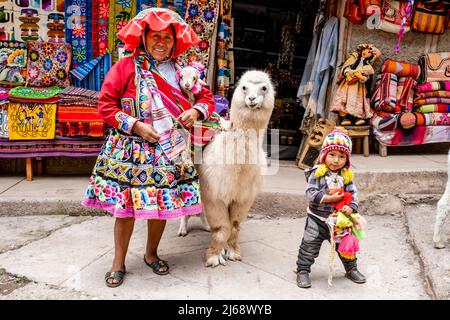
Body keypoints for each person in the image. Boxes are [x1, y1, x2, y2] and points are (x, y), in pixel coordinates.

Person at [81, 8, 215, 288]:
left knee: (161, 205)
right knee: (126, 208)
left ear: (174, 42)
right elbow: (106, 105)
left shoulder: (184, 70)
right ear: (144, 37)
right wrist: (135, 125)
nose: (161, 42)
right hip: (132, 149)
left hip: (169, 150)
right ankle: (118, 261)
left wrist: (196, 112)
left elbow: (206, 98)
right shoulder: (125, 67)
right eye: (156, 36)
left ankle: (151, 254)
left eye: (167, 37)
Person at [295, 127, 366, 288]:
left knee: (345, 247)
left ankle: (351, 268)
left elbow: (353, 193)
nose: (336, 160)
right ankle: (303, 270)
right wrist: (329, 198)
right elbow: (310, 192)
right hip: (317, 219)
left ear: (347, 159)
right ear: (324, 155)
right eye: (332, 155)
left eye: (341, 156)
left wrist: (351, 207)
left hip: (339, 222)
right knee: (309, 246)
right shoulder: (317, 173)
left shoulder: (346, 176)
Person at [330, 44, 381, 126]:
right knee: (344, 99)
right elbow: (346, 67)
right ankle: (344, 118)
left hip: (359, 86)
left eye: (368, 52)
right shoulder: (353, 59)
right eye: (364, 50)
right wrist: (347, 74)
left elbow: (367, 77)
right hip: (347, 84)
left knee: (358, 101)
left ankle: (357, 118)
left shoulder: (368, 66)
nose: (365, 52)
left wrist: (360, 76)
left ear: (372, 56)